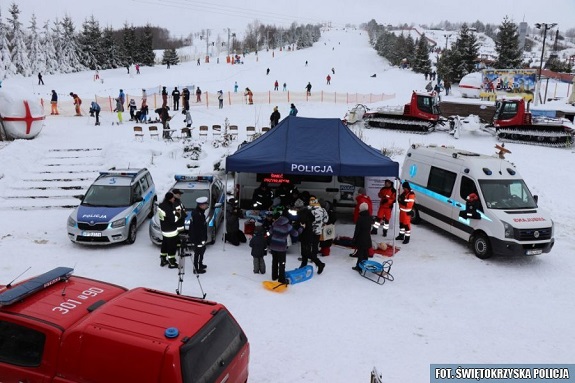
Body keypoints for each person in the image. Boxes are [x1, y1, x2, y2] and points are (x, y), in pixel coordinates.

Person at [269, 213, 299, 284]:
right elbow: (296, 234)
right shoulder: (288, 226)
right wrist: (301, 228)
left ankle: (274, 276)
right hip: (281, 248)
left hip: (273, 245)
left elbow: (270, 232)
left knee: (274, 261)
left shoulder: (274, 223)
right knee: (282, 263)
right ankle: (281, 279)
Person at [298, 203, 325, 274]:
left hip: (306, 235)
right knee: (304, 251)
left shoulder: (303, 215)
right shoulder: (309, 214)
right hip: (307, 235)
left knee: (307, 252)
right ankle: (304, 264)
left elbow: (301, 223)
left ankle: (319, 264)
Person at [158, 192, 179, 269]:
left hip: (164, 229)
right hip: (171, 231)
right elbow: (173, 219)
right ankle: (172, 262)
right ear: (170, 199)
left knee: (165, 244)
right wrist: (178, 214)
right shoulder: (168, 208)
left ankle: (163, 259)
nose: (174, 199)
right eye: (173, 198)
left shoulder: (161, 205)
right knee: (172, 246)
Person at [188, 196, 209, 274]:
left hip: (200, 237)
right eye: (205, 204)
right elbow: (198, 229)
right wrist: (201, 239)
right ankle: (196, 268)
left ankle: (200, 264)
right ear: (201, 205)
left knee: (202, 251)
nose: (207, 206)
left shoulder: (199, 213)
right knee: (198, 252)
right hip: (198, 238)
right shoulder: (198, 215)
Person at [351, 202, 372, 273]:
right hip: (367, 238)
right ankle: (365, 265)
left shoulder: (360, 219)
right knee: (366, 253)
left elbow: (357, 230)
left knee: (360, 254)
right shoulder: (370, 217)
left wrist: (354, 238)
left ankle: (359, 267)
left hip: (361, 239)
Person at [308, 196, 328, 262]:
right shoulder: (323, 210)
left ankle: (308, 256)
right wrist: (322, 224)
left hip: (310, 229)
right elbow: (326, 219)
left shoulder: (310, 208)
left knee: (309, 243)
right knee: (315, 244)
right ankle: (314, 257)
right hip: (318, 230)